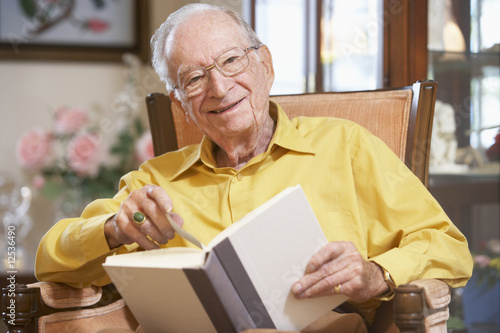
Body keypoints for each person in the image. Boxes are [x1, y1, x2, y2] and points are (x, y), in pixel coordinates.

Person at [35, 3, 472, 332]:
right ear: (181, 104)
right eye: (194, 78)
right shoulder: (153, 181)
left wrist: (376, 274)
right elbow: (50, 260)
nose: (220, 88)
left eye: (231, 60)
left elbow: (448, 247)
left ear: (265, 64)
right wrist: (112, 228)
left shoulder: (346, 146)